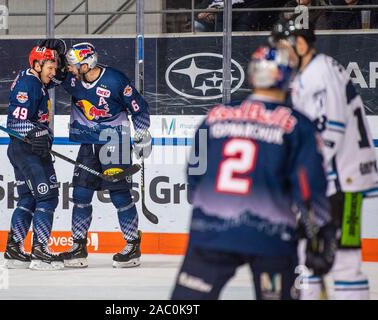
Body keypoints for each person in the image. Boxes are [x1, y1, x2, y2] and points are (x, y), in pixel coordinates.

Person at [171, 46, 335, 300]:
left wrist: (206, 208)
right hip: (271, 236)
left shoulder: (215, 116)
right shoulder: (298, 125)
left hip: (211, 231)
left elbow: (194, 173)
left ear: (251, 76)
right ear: (287, 77)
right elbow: (309, 187)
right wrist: (320, 230)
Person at [271, 20, 378, 299]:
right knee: (309, 258)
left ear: (302, 45)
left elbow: (331, 130)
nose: (280, 56)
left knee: (345, 261)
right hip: (333, 181)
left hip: (344, 183)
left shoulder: (321, 74)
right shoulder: (308, 74)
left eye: (283, 48)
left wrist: (307, 178)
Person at [40, 40, 152, 268]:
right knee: (80, 196)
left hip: (115, 141)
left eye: (74, 65)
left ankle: (132, 245)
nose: (69, 68)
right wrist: (52, 51)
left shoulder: (115, 80)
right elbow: (50, 71)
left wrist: (142, 134)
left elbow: (139, 107)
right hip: (88, 143)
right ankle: (78, 248)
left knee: (120, 194)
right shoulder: (73, 78)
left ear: (86, 65)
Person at [3, 45, 64, 271]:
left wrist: (58, 60)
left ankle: (14, 249)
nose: (53, 73)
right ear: (37, 66)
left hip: (25, 149)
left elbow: (61, 79)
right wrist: (38, 133)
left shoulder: (35, 79)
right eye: (50, 67)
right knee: (47, 197)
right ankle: (40, 251)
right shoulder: (29, 84)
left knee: (28, 198)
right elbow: (15, 123)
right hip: (28, 150)